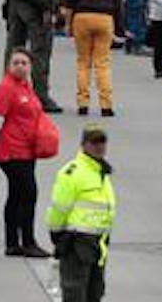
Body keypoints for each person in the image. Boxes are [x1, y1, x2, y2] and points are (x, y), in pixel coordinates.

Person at [0, 47, 52, 258]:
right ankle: (28, 241)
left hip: (27, 150)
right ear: (9, 65)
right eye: (16, 62)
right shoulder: (6, 88)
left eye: (24, 63)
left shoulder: (26, 87)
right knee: (28, 193)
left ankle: (13, 243)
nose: (20, 66)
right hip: (13, 151)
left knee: (16, 195)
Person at [46, 126, 116, 302]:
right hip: (77, 242)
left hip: (98, 244)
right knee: (75, 294)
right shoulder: (72, 172)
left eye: (102, 141)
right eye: (94, 142)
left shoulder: (100, 172)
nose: (99, 146)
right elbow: (59, 208)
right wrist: (56, 233)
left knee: (95, 294)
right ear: (84, 144)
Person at [65, 0, 123, 116]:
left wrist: (68, 23)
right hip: (105, 18)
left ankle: (83, 102)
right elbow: (118, 1)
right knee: (102, 63)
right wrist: (119, 26)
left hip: (81, 17)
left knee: (83, 62)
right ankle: (106, 104)